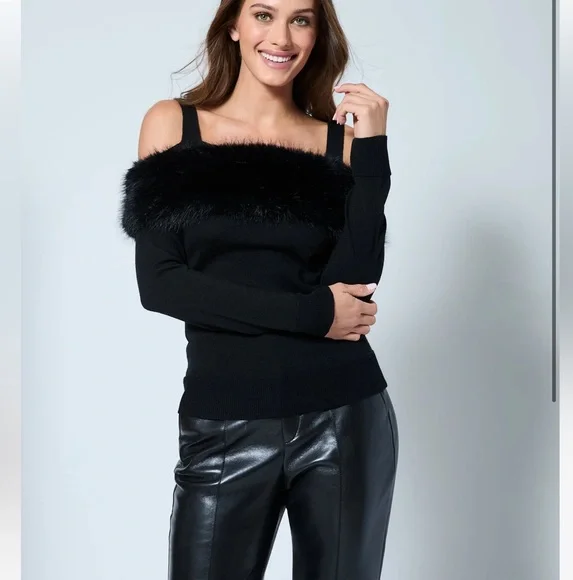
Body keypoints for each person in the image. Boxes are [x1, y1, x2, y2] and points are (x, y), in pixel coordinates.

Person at [119, 0, 398, 578]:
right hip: (224, 423)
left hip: (344, 416)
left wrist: (373, 151)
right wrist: (311, 315)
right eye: (264, 15)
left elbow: (357, 283)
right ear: (233, 26)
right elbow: (162, 285)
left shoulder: (338, 143)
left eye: (301, 19)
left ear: (317, 34)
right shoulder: (175, 125)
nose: (283, 37)